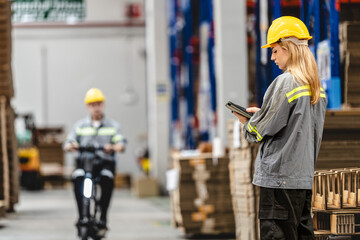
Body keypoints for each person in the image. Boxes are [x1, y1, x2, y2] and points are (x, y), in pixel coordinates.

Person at [233, 16, 327, 239]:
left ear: (289, 48)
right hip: (302, 180)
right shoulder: (316, 87)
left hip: (279, 180)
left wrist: (248, 122)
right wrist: (264, 115)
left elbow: (257, 133)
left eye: (275, 50)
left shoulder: (286, 82)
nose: (273, 57)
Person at [63, 88, 126, 236]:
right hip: (84, 165)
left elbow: (121, 144)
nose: (96, 107)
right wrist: (70, 145)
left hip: (104, 164)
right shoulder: (80, 126)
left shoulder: (113, 126)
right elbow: (68, 142)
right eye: (92, 104)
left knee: (107, 180)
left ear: (103, 105)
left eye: (98, 104)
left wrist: (113, 147)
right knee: (77, 179)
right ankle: (82, 215)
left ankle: (103, 216)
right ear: (87, 106)